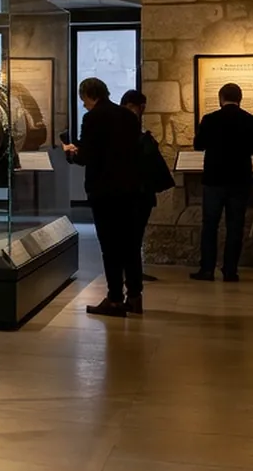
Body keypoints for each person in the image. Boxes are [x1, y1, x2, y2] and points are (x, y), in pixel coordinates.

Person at [65, 77, 144, 317]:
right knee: (130, 245)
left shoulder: (93, 118)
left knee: (110, 247)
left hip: (104, 191)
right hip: (130, 189)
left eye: (84, 101)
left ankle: (114, 299)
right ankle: (135, 297)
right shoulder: (129, 117)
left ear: (89, 94)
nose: (84, 106)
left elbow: (88, 156)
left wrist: (71, 153)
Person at [192, 82, 253, 282]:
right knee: (235, 226)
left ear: (221, 98)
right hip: (240, 179)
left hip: (214, 178)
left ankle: (206, 269)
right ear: (240, 98)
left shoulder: (210, 119)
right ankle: (230, 270)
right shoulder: (250, 120)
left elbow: (199, 145)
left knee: (210, 225)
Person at [121, 89, 175, 297]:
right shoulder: (135, 133)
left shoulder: (129, 133)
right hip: (141, 193)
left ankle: (131, 288)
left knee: (130, 241)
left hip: (133, 193)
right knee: (132, 240)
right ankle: (134, 289)